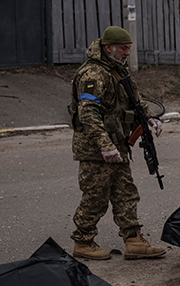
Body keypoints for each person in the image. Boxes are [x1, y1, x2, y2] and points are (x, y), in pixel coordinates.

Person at [69, 26, 166, 261]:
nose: (127, 53)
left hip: (118, 144)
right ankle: (83, 242)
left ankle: (133, 240)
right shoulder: (93, 74)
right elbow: (88, 113)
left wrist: (149, 117)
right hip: (96, 149)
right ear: (108, 48)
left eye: (129, 49)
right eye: (123, 49)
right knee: (96, 196)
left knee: (126, 193)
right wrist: (105, 145)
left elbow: (134, 99)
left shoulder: (116, 69)